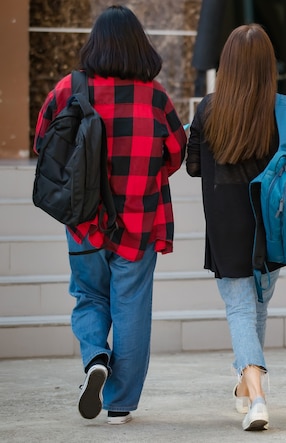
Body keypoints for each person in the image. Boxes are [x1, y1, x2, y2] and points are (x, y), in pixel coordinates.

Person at [33, 5, 187, 425]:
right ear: (140, 45)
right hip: (138, 220)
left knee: (88, 296)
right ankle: (120, 405)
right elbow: (176, 153)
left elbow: (43, 145)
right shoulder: (155, 96)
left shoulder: (69, 88)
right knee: (132, 309)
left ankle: (96, 358)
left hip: (83, 219)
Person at [185, 24, 286, 431]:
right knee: (257, 304)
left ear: (227, 65)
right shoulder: (285, 108)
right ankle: (249, 386)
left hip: (226, 226)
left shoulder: (208, 108)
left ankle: (255, 393)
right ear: (267, 66)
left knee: (244, 307)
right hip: (273, 226)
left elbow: (192, 166)